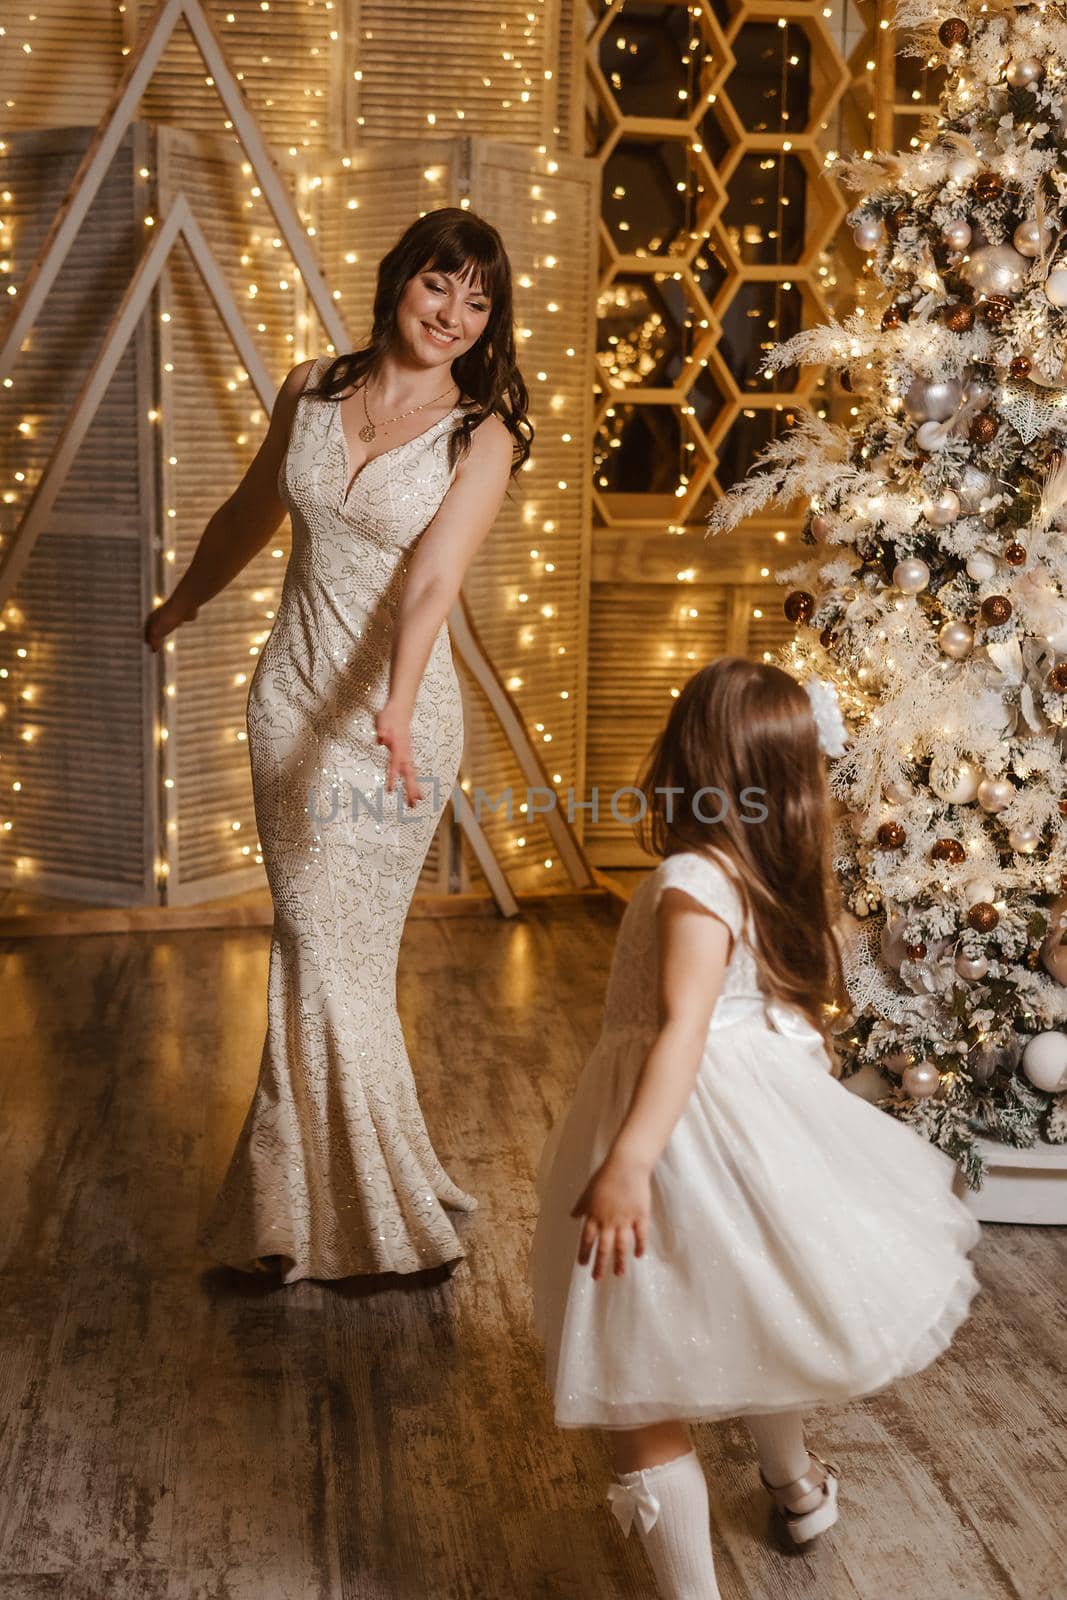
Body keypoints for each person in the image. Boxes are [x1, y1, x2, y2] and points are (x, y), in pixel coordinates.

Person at [529, 656, 981, 1599]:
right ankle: (796, 1484)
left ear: (689, 757)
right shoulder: (760, 871)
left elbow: (686, 1029)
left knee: (640, 1371)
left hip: (677, 1132)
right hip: (748, 1123)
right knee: (745, 1310)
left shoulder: (694, 877)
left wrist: (629, 1162)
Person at [145, 208, 531, 1283]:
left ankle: (351, 1225)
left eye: (476, 301)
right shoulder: (310, 386)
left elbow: (431, 581)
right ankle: (306, 1211)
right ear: (397, 279)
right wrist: (180, 602)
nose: (452, 315)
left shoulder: (481, 435)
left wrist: (400, 706)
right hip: (288, 704)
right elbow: (245, 514)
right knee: (320, 950)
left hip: (392, 727)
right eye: (436, 286)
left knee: (329, 951)